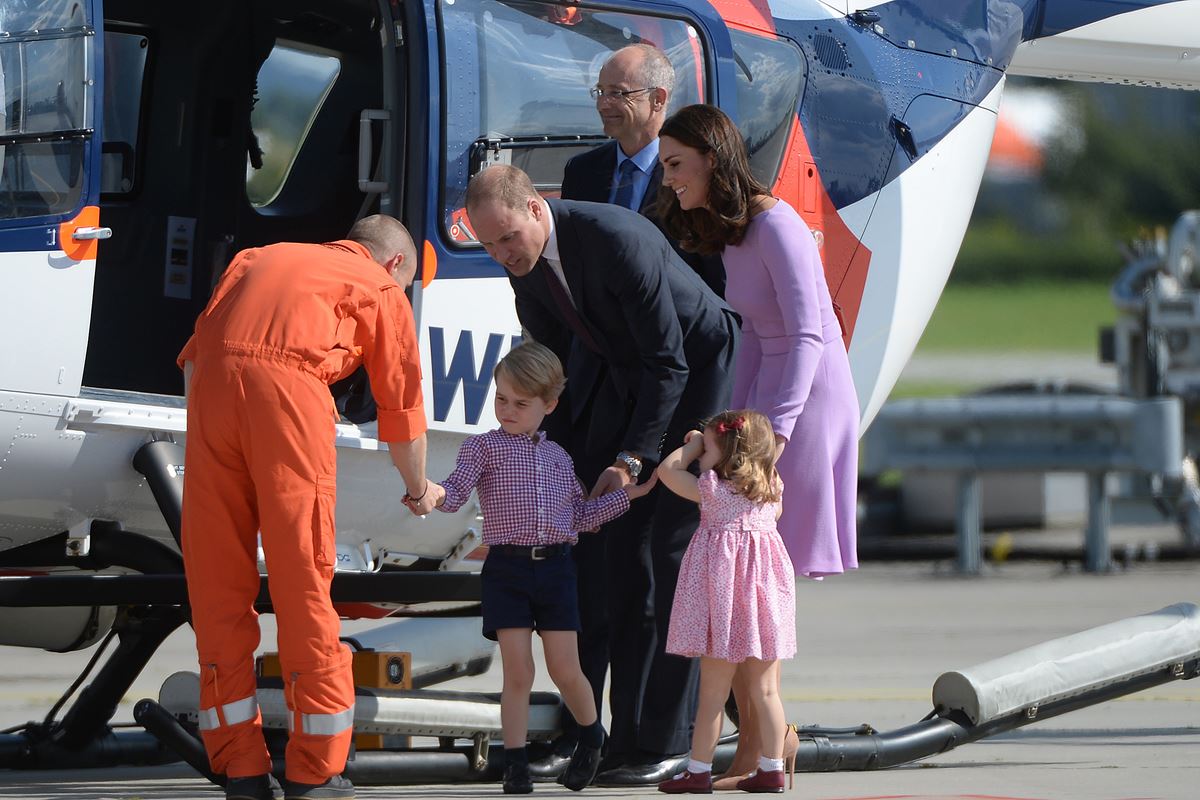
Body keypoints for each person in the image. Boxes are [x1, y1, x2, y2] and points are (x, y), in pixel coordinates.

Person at [465, 165, 739, 785]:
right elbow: (556, 375)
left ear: (537, 208)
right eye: (487, 245)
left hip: (694, 372)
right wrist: (547, 463)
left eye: (507, 237)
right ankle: (600, 734)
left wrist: (632, 461)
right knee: (597, 551)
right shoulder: (527, 274)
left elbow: (668, 364)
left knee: (664, 550)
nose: (502, 254)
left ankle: (665, 740)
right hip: (625, 375)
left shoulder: (616, 239)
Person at [177, 215, 444, 800]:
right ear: (395, 264)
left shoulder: (253, 257)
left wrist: (219, 439)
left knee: (218, 590)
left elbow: (196, 364)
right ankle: (314, 771)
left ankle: (239, 768)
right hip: (289, 401)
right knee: (303, 583)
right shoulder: (377, 287)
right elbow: (403, 416)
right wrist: (419, 489)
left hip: (211, 408)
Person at [657, 103, 859, 789]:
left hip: (805, 400)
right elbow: (755, 337)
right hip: (766, 399)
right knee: (738, 582)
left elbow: (806, 337)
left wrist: (772, 437)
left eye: (677, 165)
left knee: (750, 578)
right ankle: (768, 743)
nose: (669, 179)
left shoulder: (776, 226)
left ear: (713, 160)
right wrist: (726, 427)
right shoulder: (735, 232)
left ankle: (762, 744)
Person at [432, 341, 657, 793]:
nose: (507, 410)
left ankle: (592, 738)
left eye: (521, 403)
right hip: (507, 572)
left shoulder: (559, 459)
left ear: (549, 405)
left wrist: (627, 496)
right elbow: (454, 493)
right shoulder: (482, 450)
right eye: (500, 399)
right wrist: (425, 491)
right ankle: (514, 764)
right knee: (518, 672)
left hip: (555, 571)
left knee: (566, 670)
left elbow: (581, 518)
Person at [654, 410, 797, 794]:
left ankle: (698, 770)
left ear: (727, 451)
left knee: (713, 694)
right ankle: (772, 768)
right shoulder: (771, 486)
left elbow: (668, 471)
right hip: (762, 601)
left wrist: (692, 445)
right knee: (766, 690)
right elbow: (776, 515)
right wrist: (709, 440)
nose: (702, 455)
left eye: (708, 447)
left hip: (723, 603)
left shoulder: (713, 491)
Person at [560, 44, 724, 297]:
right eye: (601, 91)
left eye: (618, 93)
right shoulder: (581, 171)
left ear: (657, 99)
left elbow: (716, 281)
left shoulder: (696, 173)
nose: (603, 104)